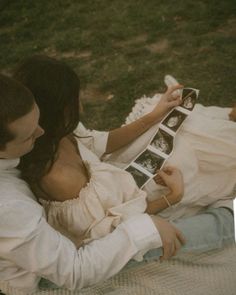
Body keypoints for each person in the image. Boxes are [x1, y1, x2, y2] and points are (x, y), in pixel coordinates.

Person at [0, 69, 233, 295]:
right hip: (54, 270)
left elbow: (95, 141)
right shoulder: (12, 204)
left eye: (38, 122)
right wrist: (164, 206)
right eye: (29, 135)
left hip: (97, 224)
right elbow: (76, 268)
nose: (39, 132)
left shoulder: (46, 139)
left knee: (192, 145)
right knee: (206, 229)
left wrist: (153, 116)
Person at [13, 55, 236, 241]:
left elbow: (101, 142)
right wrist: (174, 196)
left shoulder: (53, 135)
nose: (80, 106)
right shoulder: (60, 178)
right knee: (199, 153)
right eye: (74, 101)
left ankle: (228, 120)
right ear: (55, 111)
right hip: (143, 213)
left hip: (129, 181)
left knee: (182, 129)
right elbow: (116, 230)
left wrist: (153, 116)